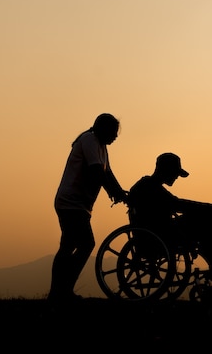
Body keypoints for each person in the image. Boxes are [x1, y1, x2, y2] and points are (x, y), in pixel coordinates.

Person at [128, 152, 212, 294]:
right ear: (166, 170)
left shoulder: (150, 186)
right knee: (211, 221)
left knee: (209, 221)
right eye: (175, 173)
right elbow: (178, 204)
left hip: (163, 232)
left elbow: (176, 204)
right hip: (159, 237)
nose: (176, 177)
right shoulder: (149, 187)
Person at [49, 113, 128, 302]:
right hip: (71, 202)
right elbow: (97, 172)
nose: (115, 137)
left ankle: (58, 292)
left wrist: (120, 193)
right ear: (103, 129)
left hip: (79, 203)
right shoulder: (90, 141)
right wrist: (115, 192)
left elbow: (108, 172)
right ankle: (63, 290)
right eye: (113, 132)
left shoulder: (100, 146)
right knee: (85, 244)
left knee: (68, 246)